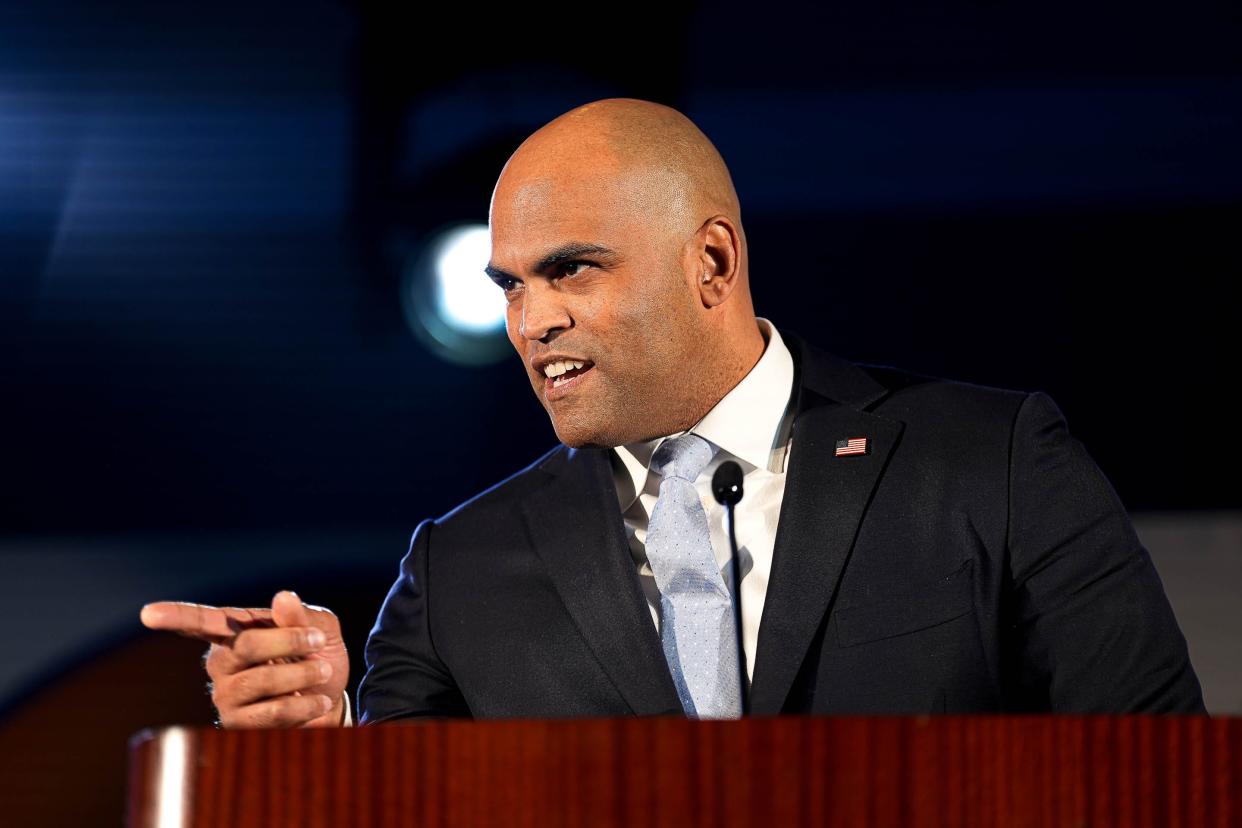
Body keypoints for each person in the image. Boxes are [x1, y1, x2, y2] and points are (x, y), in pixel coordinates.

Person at [140, 98, 1205, 727]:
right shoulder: (458, 569)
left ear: (711, 262)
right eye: (510, 285)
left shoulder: (993, 462)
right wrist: (327, 744)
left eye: (571, 271)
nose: (530, 321)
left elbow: (1163, 780)